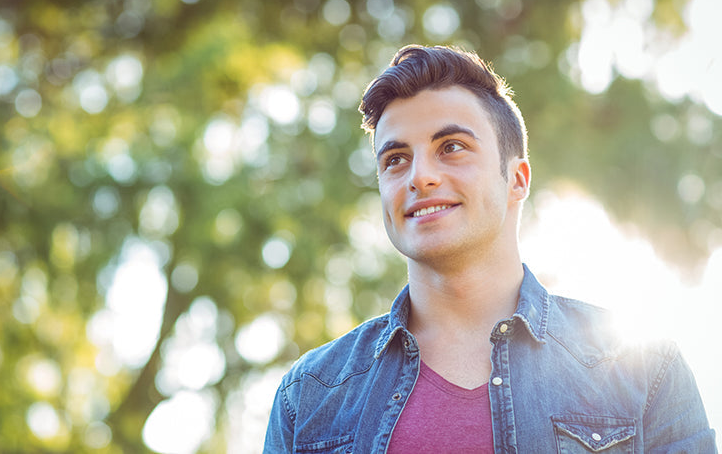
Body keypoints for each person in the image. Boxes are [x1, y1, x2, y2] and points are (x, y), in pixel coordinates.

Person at [263, 44, 716, 453]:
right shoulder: (309, 396)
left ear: (517, 179)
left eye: (452, 147)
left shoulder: (646, 373)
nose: (419, 177)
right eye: (395, 159)